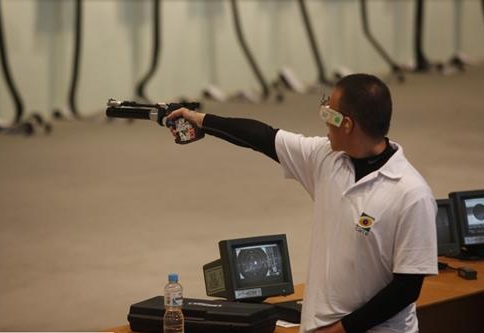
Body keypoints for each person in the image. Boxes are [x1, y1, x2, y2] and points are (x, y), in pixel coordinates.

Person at [167, 74, 438, 333]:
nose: (324, 122)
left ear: (347, 124)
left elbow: (407, 288)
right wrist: (201, 120)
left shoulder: (411, 193)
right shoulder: (325, 157)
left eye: (328, 114)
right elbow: (262, 137)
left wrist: (341, 330)